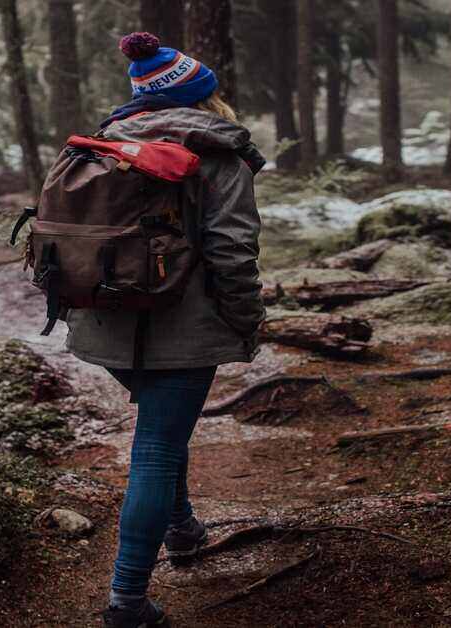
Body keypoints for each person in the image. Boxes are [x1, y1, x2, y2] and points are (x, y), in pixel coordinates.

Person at [62, 32, 266, 628]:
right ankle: (126, 603)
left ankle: (181, 528)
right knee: (155, 445)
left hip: (105, 324)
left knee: (161, 427)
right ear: (203, 97)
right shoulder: (218, 153)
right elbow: (233, 249)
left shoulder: (101, 145)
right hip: (183, 329)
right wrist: (245, 320)